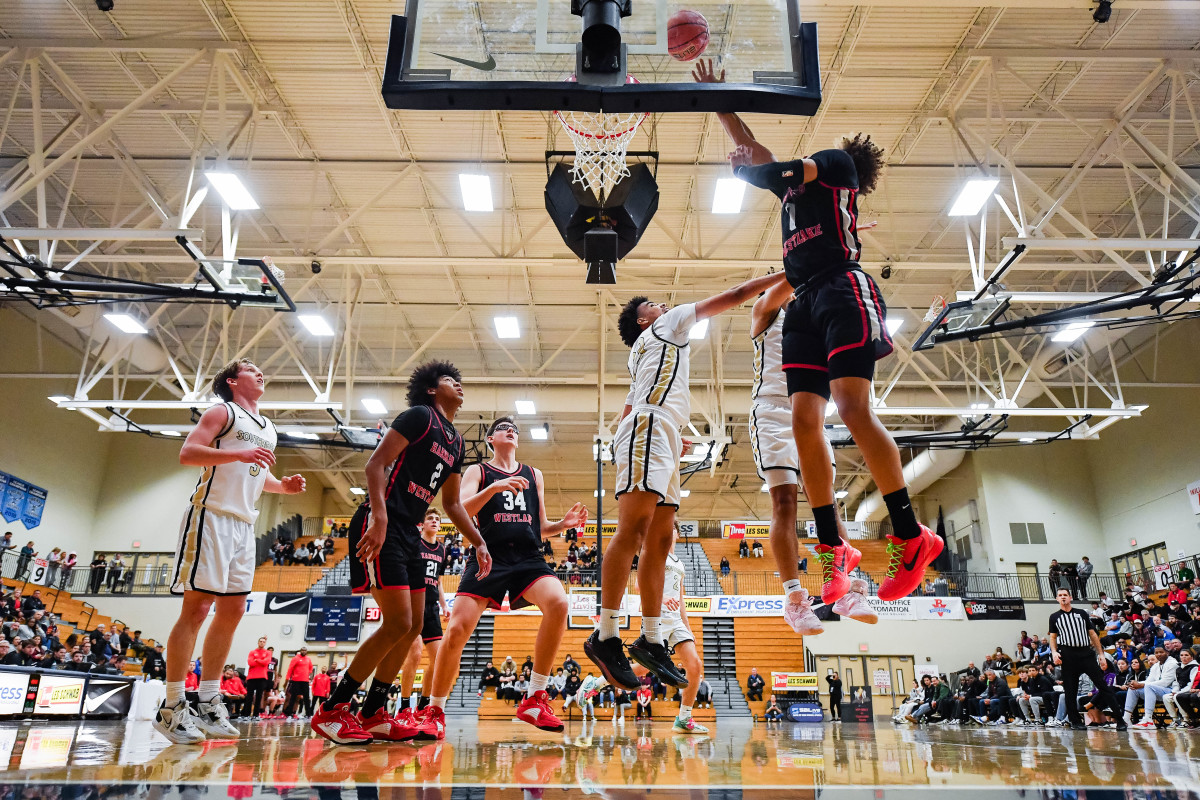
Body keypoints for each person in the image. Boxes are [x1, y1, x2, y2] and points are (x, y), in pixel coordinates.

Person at [694, 57, 940, 607]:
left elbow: (775, 167)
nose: (796, 170)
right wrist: (718, 100)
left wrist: (740, 171)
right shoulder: (797, 196)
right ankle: (835, 550)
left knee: (852, 408)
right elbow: (760, 153)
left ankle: (909, 533)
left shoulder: (833, 166)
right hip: (805, 303)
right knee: (806, 421)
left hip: (842, 289)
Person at [589, 269, 790, 693]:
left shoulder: (645, 351)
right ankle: (605, 635)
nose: (662, 305)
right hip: (649, 428)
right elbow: (735, 294)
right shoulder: (667, 324)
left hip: (655, 430)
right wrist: (793, 267)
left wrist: (664, 440)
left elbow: (631, 407)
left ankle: (651, 636)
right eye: (652, 305)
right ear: (645, 320)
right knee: (634, 530)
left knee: (660, 541)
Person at [312, 361, 488, 746]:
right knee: (396, 623)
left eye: (459, 381)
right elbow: (376, 463)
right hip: (384, 524)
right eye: (448, 380)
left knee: (410, 627)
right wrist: (378, 516)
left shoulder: (456, 442)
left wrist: (478, 541)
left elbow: (453, 505)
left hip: (408, 533)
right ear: (430, 389)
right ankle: (333, 709)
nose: (458, 384)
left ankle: (375, 712)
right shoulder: (419, 416)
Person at [154, 356, 306, 746]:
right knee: (198, 607)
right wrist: (235, 455)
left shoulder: (268, 427)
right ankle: (172, 706)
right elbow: (189, 452)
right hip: (211, 516)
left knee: (234, 609)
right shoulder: (222, 411)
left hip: (244, 523)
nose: (260, 371)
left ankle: (208, 698)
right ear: (233, 381)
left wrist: (282, 486)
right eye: (251, 368)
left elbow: (256, 474)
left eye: (260, 367)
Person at [422, 416, 587, 738]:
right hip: (488, 554)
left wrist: (561, 526)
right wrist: (494, 487)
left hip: (527, 557)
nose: (510, 430)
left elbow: (539, 526)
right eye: (503, 428)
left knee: (558, 603)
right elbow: (459, 508)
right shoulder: (479, 471)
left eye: (514, 429)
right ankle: (434, 711)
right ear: (490, 440)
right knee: (455, 631)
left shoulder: (533, 474)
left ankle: (535, 698)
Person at [397, 509, 450, 721]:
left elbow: (437, 579)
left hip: (432, 609)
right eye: (431, 518)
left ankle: (423, 704)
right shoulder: (414, 544)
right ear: (423, 523)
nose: (435, 522)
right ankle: (403, 706)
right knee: (416, 653)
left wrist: (444, 604)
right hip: (412, 605)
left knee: (438, 659)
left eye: (438, 519)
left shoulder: (442, 550)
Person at [1048, 587, 1126, 730]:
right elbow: (1053, 637)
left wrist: (1101, 654)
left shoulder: (1081, 613)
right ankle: (1075, 721)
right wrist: (1054, 652)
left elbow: (1093, 634)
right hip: (1067, 654)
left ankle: (1120, 719)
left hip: (1086, 653)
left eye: (1065, 595)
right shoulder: (1054, 617)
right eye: (1060, 595)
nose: (1063, 597)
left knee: (1103, 686)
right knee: (1070, 690)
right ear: (1057, 599)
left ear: (1070, 597)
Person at [1124, 646, 1178, 729]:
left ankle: (1148, 719)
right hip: (1156, 690)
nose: (1159, 654)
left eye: (1161, 652)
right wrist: (1137, 684)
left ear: (1167, 653)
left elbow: (1165, 682)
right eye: (1156, 653)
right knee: (1133, 689)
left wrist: (1142, 685)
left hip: (1170, 690)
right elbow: (1149, 680)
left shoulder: (1173, 664)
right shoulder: (1155, 666)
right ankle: (1126, 719)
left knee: (1149, 686)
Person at [1162, 648, 1198, 727]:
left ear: (1191, 657)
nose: (1184, 657)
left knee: (1176, 696)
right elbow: (1176, 683)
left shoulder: (1194, 667)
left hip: (1191, 690)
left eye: (1186, 655)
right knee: (1166, 697)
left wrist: (1178, 692)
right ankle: (1175, 720)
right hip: (1180, 691)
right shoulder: (1178, 668)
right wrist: (1174, 691)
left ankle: (1186, 719)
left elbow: (1191, 684)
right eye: (1182, 655)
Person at [245, 637, 273, 718]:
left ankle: (256, 715)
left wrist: (257, 660)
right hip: (251, 677)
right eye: (260, 641)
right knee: (249, 697)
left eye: (263, 642)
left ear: (265, 643)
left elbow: (266, 662)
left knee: (259, 696)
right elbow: (250, 662)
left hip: (262, 677)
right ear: (258, 642)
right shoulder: (252, 652)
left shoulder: (268, 653)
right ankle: (246, 714)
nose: (262, 643)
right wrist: (261, 661)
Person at [283, 648, 314, 718]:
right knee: (293, 697)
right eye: (302, 650)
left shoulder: (308, 659)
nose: (303, 651)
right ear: (300, 651)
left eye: (305, 650)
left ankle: (308, 714)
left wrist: (307, 674)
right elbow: (290, 669)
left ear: (307, 651)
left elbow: (311, 668)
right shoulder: (295, 658)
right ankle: (289, 714)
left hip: (305, 681)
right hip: (296, 680)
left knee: (306, 698)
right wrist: (287, 679)